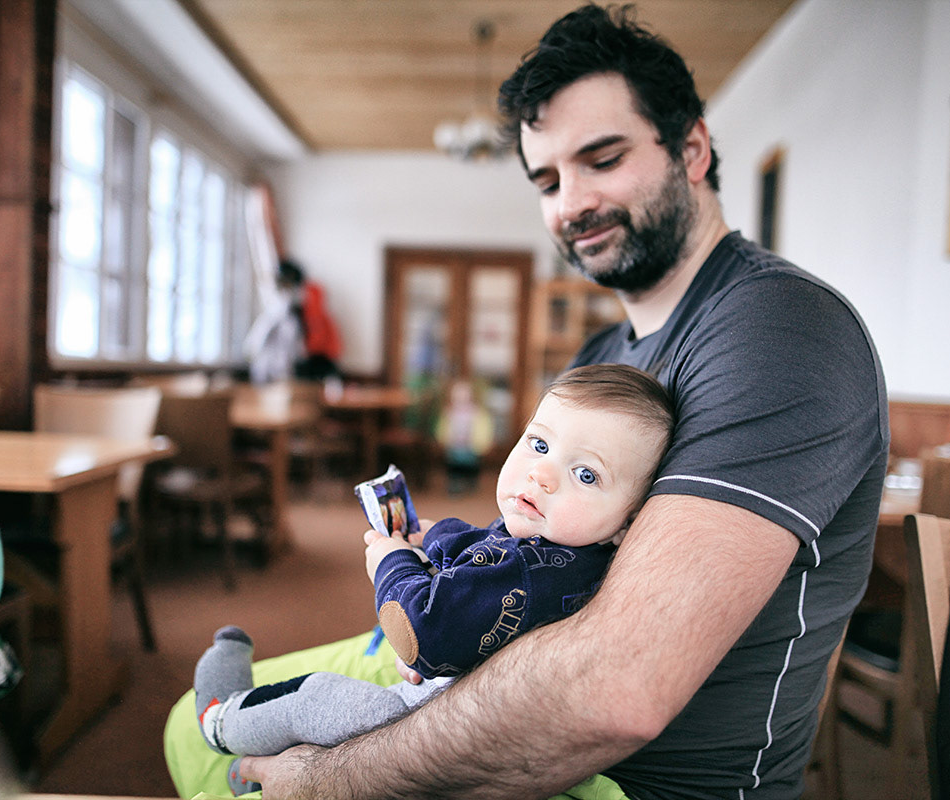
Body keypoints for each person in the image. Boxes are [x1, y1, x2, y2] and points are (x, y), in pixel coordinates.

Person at [165, 5, 888, 798]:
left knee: (232, 766)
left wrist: (334, 780)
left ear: (692, 149)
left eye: (602, 159)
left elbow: (617, 687)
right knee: (186, 731)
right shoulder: (600, 354)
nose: (570, 203)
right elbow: (526, 550)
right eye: (546, 180)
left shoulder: (779, 328)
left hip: (640, 782)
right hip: (504, 678)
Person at [191, 364, 675, 796]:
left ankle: (221, 718)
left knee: (319, 701)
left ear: (629, 520)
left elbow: (418, 631)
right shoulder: (567, 551)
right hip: (463, 706)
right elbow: (485, 548)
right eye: (540, 445)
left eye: (586, 474)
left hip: (430, 734)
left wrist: (393, 562)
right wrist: (433, 535)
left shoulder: (531, 572)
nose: (542, 474)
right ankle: (255, 773)